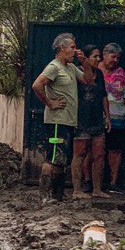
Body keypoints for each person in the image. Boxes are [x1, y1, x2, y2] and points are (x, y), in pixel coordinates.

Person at [31, 32, 81, 202]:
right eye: (72, 47)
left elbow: (88, 79)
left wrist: (86, 63)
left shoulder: (71, 68)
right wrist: (49, 103)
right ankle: (44, 195)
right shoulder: (54, 67)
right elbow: (37, 85)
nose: (75, 50)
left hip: (68, 120)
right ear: (62, 48)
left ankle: (58, 196)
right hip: (57, 121)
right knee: (52, 158)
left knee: (62, 159)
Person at [71, 45, 109, 200]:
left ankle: (97, 189)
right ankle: (77, 189)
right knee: (79, 154)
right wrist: (84, 64)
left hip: (97, 119)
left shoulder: (99, 74)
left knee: (99, 154)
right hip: (81, 119)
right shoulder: (76, 72)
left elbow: (103, 96)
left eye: (98, 56)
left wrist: (107, 116)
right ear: (86, 58)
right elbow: (87, 81)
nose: (98, 59)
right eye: (95, 56)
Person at [100, 43, 125, 193]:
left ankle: (113, 182)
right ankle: (92, 182)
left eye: (118, 58)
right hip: (98, 116)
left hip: (117, 116)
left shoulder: (121, 73)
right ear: (104, 55)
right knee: (96, 150)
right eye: (113, 57)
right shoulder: (95, 70)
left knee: (115, 149)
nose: (115, 60)